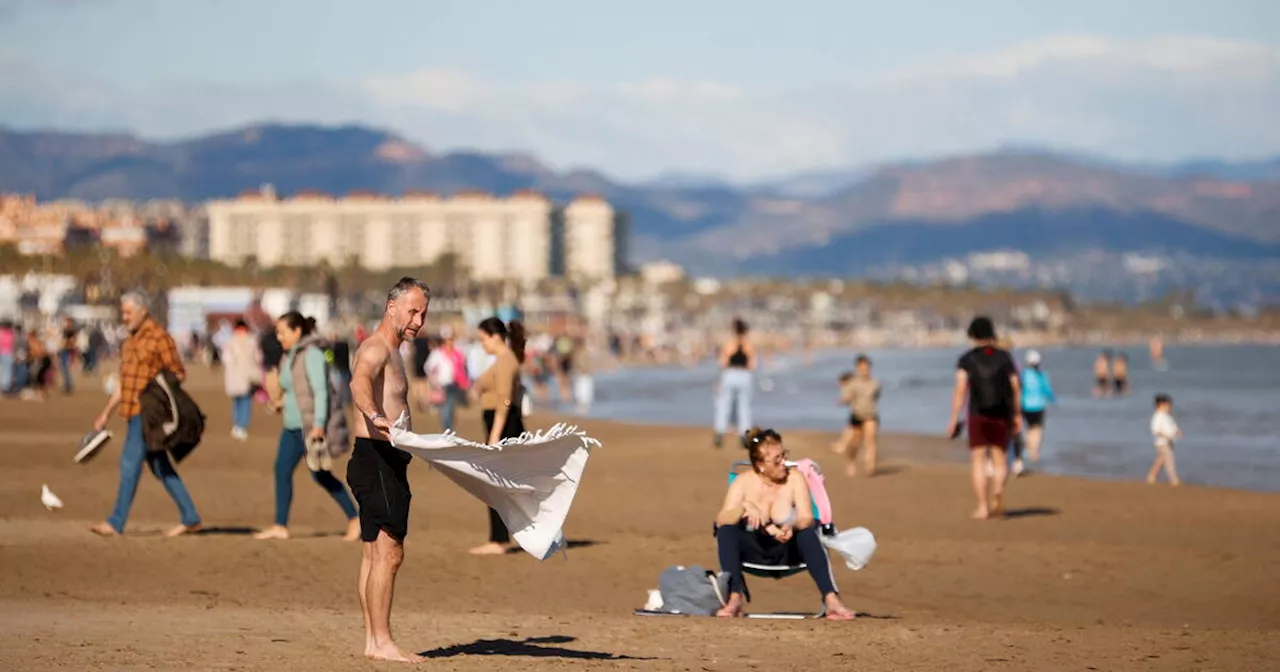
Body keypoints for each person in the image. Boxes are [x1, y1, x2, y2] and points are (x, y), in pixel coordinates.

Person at [346, 277, 430, 663]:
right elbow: (359, 382)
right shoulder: (376, 348)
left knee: (373, 554)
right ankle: (381, 641)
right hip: (375, 457)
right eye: (412, 311)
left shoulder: (397, 352)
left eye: (423, 314)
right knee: (389, 552)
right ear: (391, 306)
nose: (418, 320)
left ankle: (372, 642)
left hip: (386, 460)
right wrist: (375, 415)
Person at [90, 292, 202, 537]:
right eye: (123, 312)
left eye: (129, 312)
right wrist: (105, 413)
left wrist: (156, 394)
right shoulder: (129, 341)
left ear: (143, 311)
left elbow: (178, 373)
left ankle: (115, 522)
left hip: (149, 412)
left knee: (129, 463)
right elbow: (124, 382)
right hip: (130, 410)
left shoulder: (160, 337)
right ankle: (191, 516)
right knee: (159, 465)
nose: (125, 316)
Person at [714, 427, 855, 620]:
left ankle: (831, 600)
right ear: (760, 465)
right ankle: (735, 598)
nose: (784, 463)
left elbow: (806, 517)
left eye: (784, 456)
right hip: (754, 549)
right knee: (727, 532)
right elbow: (722, 518)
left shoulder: (795, 478)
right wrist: (745, 508)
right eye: (777, 460)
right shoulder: (743, 482)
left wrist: (791, 525)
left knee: (808, 532)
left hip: (789, 549)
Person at [255, 312, 360, 542]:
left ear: (297, 331)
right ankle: (280, 525)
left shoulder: (312, 355)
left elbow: (321, 391)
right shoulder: (288, 356)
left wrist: (319, 425)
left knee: (320, 474)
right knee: (281, 470)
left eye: (282, 332)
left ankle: (355, 518)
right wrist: (279, 403)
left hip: (309, 426)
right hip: (290, 426)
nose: (278, 336)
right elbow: (293, 390)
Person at [946, 317, 1021, 520]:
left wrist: (953, 418)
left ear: (972, 335)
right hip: (1002, 414)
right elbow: (1015, 386)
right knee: (1000, 459)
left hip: (977, 414)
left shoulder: (967, 359)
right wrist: (1017, 414)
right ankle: (998, 489)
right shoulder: (1005, 357)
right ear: (991, 333)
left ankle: (982, 507)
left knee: (978, 461)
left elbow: (960, 390)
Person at [466, 316, 528, 556]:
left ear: (495, 337)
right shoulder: (504, 360)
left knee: (495, 484)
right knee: (510, 485)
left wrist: (493, 438)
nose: (482, 344)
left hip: (503, 425)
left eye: (483, 339)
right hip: (504, 423)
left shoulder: (505, 361)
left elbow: (504, 401)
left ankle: (498, 540)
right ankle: (514, 536)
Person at [833, 355, 881, 477]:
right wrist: (843, 401)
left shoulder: (875, 383)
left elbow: (876, 397)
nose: (864, 368)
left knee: (871, 440)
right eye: (862, 366)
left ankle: (870, 466)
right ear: (858, 368)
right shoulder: (853, 383)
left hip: (871, 415)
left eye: (866, 366)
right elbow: (847, 397)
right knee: (855, 444)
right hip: (857, 415)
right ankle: (851, 462)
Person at [713, 318, 756, 448]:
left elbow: (723, 363)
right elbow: (752, 365)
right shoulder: (748, 345)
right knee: (744, 407)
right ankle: (744, 435)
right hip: (744, 375)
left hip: (730, 375)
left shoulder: (729, 344)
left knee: (724, 405)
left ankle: (720, 433)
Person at [221, 319, 261, 441]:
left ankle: (237, 425)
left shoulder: (229, 342)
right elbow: (258, 358)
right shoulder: (252, 341)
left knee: (237, 403)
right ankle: (242, 426)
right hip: (247, 376)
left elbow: (225, 359)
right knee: (245, 402)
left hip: (233, 378)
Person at [424, 325, 469, 432]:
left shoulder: (457, 353)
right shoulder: (437, 353)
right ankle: (448, 432)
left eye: (451, 339)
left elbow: (463, 367)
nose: (450, 342)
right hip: (442, 386)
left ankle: (449, 431)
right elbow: (428, 368)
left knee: (451, 411)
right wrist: (434, 382)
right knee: (446, 411)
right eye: (448, 339)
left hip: (454, 385)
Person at [1019, 350, 1056, 466]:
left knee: (1029, 428)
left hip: (1024, 405)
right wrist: (1053, 399)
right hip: (1038, 405)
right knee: (1037, 429)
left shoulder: (1023, 375)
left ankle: (1029, 446)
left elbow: (1019, 389)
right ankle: (1034, 452)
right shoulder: (1041, 375)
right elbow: (1047, 390)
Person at [1147, 393, 1182, 486]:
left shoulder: (1168, 416)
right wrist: (1165, 436)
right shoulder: (1158, 416)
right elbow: (1156, 430)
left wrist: (1177, 431)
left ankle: (1151, 475)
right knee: (1169, 461)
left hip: (1168, 442)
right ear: (1159, 406)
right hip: (1162, 443)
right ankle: (1173, 479)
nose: (1169, 407)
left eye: (1169, 405)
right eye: (1167, 405)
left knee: (1160, 460)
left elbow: (1172, 427)